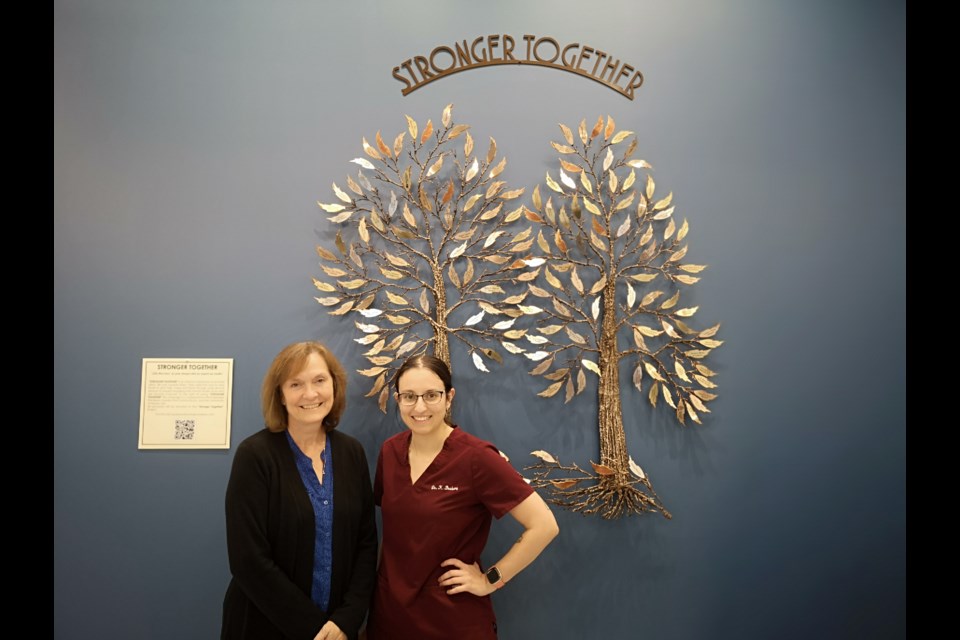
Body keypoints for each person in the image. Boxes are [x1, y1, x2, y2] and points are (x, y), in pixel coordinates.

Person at [366, 354, 560, 640]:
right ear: (398, 399)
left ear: (449, 397)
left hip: (450, 620)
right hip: (390, 617)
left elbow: (544, 525)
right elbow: (393, 534)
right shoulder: (390, 452)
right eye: (409, 396)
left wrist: (489, 580)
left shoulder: (477, 458)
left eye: (432, 395)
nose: (420, 407)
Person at [221, 341, 378, 640]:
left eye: (319, 380)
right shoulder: (255, 455)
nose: (310, 393)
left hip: (338, 630)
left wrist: (347, 619)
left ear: (335, 384)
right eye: (296, 384)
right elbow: (247, 559)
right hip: (263, 626)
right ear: (280, 394)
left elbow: (366, 544)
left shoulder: (351, 453)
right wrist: (313, 628)